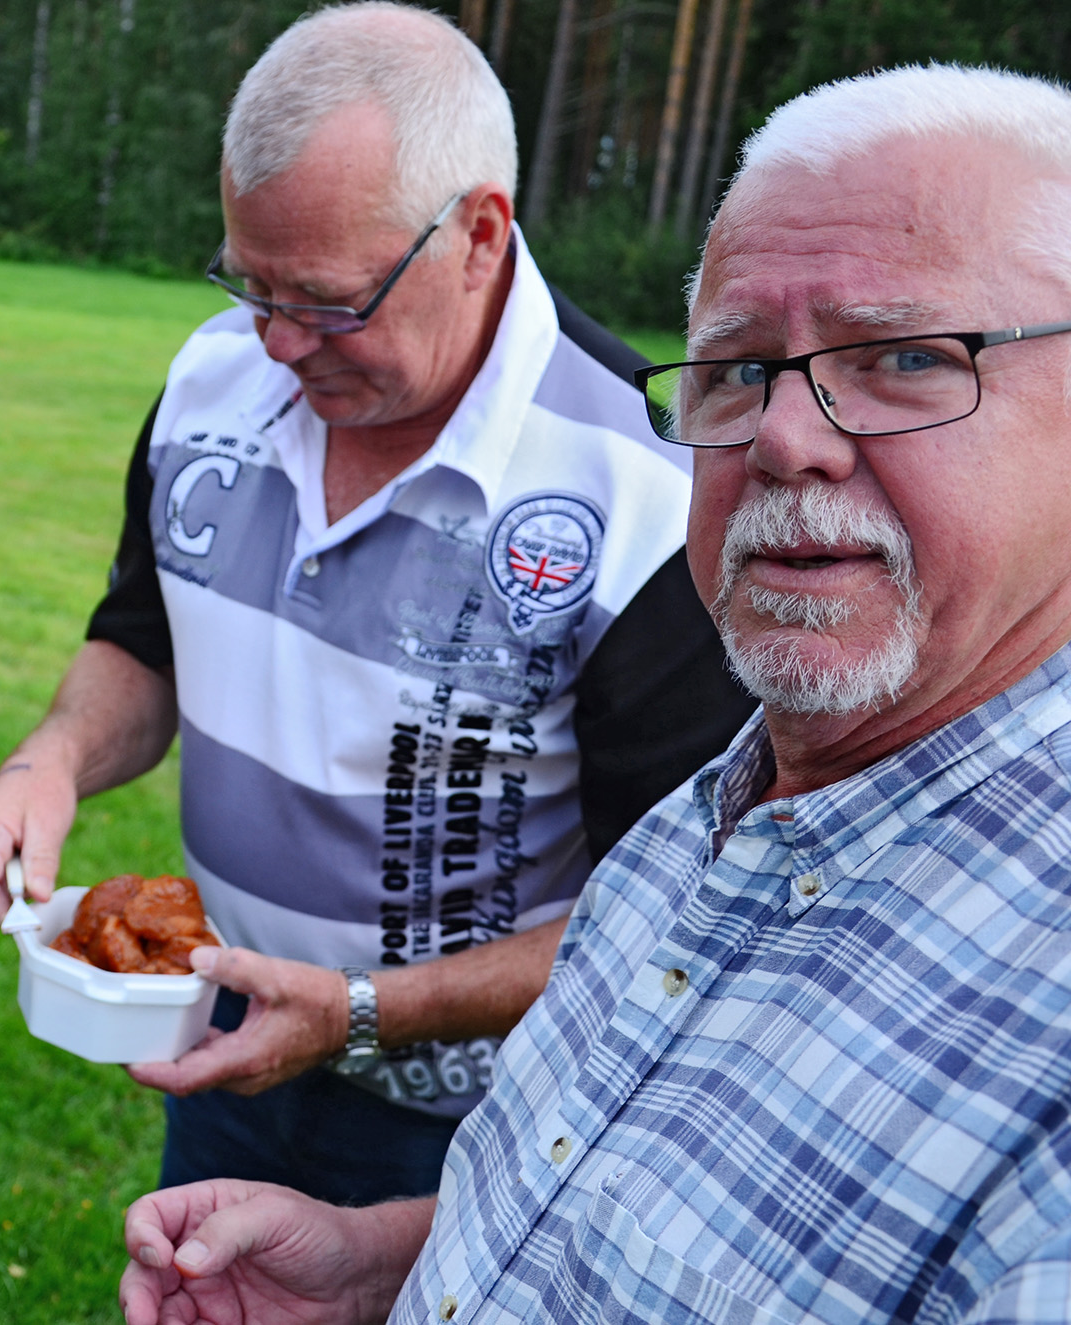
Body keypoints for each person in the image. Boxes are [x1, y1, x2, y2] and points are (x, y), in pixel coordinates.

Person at [119, 62, 1071, 1325]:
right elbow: (599, 1206)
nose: (782, 436)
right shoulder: (713, 812)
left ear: (477, 237)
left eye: (902, 354)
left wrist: (360, 1012)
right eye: (733, 368)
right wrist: (380, 1265)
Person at [0, 0, 751, 1206]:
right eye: (244, 281)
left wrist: (361, 1013)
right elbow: (145, 635)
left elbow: (664, 910)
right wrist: (51, 758)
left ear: (477, 232)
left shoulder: (640, 494)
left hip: (480, 1123)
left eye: (323, 301)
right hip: (229, 1040)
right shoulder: (207, 380)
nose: (272, 342)